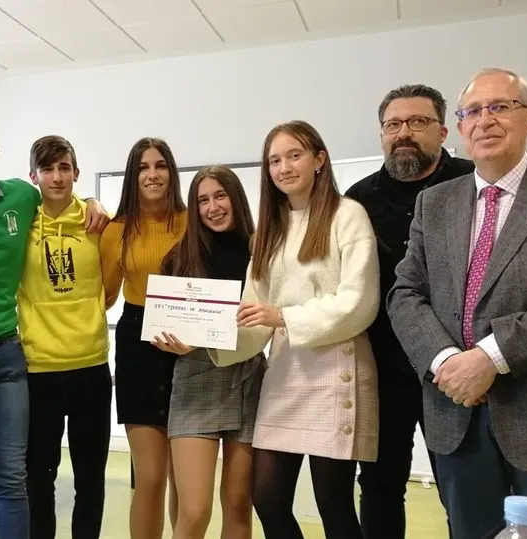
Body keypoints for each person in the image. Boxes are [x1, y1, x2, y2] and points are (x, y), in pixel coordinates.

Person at [387, 68, 527, 539]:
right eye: (473, 112)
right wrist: (446, 361)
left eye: (501, 107)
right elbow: (405, 292)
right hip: (456, 416)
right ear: (460, 128)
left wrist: (490, 357)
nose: (485, 120)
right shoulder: (434, 203)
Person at [0, 107, 109, 539]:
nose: (57, 177)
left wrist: (94, 202)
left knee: (47, 478)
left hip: (53, 362)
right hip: (10, 362)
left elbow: (111, 278)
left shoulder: (75, 216)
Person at [202, 121, 380, 539]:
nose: (284, 168)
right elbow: (253, 313)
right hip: (285, 372)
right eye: (274, 160)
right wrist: (207, 337)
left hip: (335, 370)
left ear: (319, 159)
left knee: (333, 504)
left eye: (294, 156)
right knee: (267, 497)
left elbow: (359, 302)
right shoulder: (271, 230)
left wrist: (282, 317)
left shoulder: (348, 215)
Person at [345, 83, 473, 538]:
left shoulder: (472, 183)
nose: (404, 133)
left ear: (443, 131)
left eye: (418, 122)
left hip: (458, 366)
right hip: (382, 367)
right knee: (380, 485)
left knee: (463, 487)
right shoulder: (357, 199)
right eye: (393, 124)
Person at [151, 165, 263, 539]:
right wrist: (168, 340)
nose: (212, 207)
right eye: (202, 200)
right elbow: (164, 321)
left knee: (238, 503)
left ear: (236, 198)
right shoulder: (180, 257)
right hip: (195, 377)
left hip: (249, 377)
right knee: (195, 509)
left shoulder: (261, 250)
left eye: (220, 196)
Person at [18, 135, 112, 539]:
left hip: (91, 365)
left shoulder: (98, 223)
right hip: (38, 368)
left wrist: (94, 202)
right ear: (33, 176)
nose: (57, 177)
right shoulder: (20, 223)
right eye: (47, 168)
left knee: (91, 477)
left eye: (64, 168)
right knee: (39, 476)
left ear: (76, 172)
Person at [100, 137, 187, 539]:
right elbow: (104, 295)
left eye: (160, 165)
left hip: (189, 346)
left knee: (184, 478)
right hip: (138, 343)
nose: (152, 175)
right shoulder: (116, 230)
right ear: (132, 177)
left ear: (172, 172)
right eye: (143, 167)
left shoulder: (193, 221)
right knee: (150, 477)